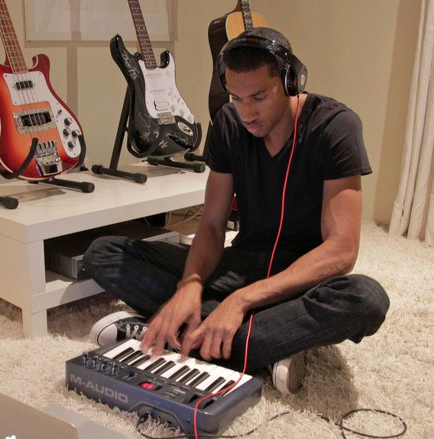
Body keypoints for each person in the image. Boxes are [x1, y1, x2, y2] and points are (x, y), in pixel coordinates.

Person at [83, 27, 390, 395]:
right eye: (236, 97)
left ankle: (180, 333)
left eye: (258, 97)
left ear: (290, 82)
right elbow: (212, 225)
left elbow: (341, 250)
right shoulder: (228, 123)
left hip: (301, 283)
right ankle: (262, 344)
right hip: (241, 265)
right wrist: (190, 285)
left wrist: (241, 301)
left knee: (366, 299)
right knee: (104, 253)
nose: (247, 112)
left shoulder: (335, 127)